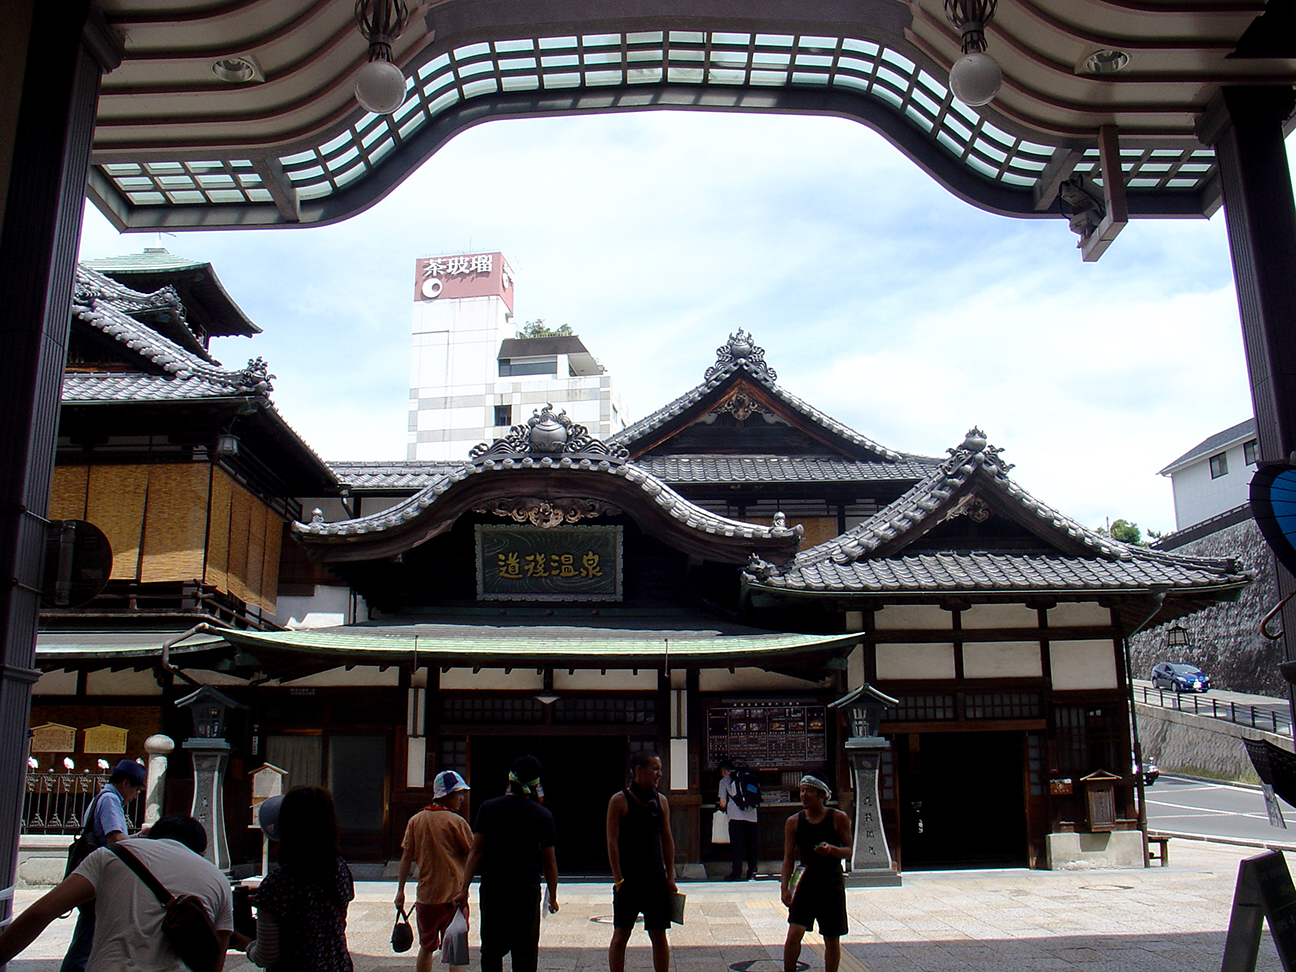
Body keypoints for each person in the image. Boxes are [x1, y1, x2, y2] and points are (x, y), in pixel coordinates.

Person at [0, 814, 232, 972]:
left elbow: (41, 912)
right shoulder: (219, 881)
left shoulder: (111, 855)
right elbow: (215, 962)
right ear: (202, 852)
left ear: (151, 835)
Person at [233, 786, 355, 972]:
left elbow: (266, 956)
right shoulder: (340, 869)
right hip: (337, 965)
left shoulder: (278, 884)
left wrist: (246, 945)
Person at [455, 754, 558, 972]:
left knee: (491, 950)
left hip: (494, 889)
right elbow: (549, 861)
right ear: (536, 784)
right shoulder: (543, 816)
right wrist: (553, 895)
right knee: (526, 954)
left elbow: (476, 851)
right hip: (526, 891)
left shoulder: (488, 808)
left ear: (509, 779)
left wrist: (463, 889)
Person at [58, 757, 148, 972]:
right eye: (136, 789)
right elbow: (115, 839)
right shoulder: (110, 800)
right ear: (125, 783)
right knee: (87, 937)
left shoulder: (103, 797)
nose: (136, 796)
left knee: (90, 932)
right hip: (100, 875)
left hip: (94, 873)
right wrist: (143, 840)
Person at [396, 770, 474, 972]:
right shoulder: (456, 822)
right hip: (453, 898)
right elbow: (473, 853)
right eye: (458, 793)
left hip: (426, 898)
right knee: (456, 952)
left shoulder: (416, 820)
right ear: (447, 795)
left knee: (426, 947)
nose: (462, 799)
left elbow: (406, 857)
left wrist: (400, 890)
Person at [607, 751, 677, 972]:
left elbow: (667, 840)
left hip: (655, 877)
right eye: (655, 768)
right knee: (621, 934)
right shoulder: (619, 800)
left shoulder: (661, 801)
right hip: (629, 879)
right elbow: (612, 842)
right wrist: (618, 879)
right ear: (639, 770)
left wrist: (670, 876)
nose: (659, 774)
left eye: (660, 768)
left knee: (659, 935)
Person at [781, 775, 852, 972]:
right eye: (802, 791)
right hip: (804, 882)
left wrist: (831, 850)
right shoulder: (793, 822)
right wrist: (784, 888)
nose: (803, 795)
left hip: (831, 882)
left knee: (831, 937)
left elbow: (848, 850)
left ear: (821, 795)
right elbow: (788, 858)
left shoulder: (838, 818)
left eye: (808, 791)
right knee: (795, 932)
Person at [718, 759, 759, 880]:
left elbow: (723, 803)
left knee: (737, 846)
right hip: (752, 816)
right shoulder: (749, 777)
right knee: (752, 846)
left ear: (724, 771)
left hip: (735, 817)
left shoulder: (725, 781)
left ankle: (736, 873)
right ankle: (752, 871)